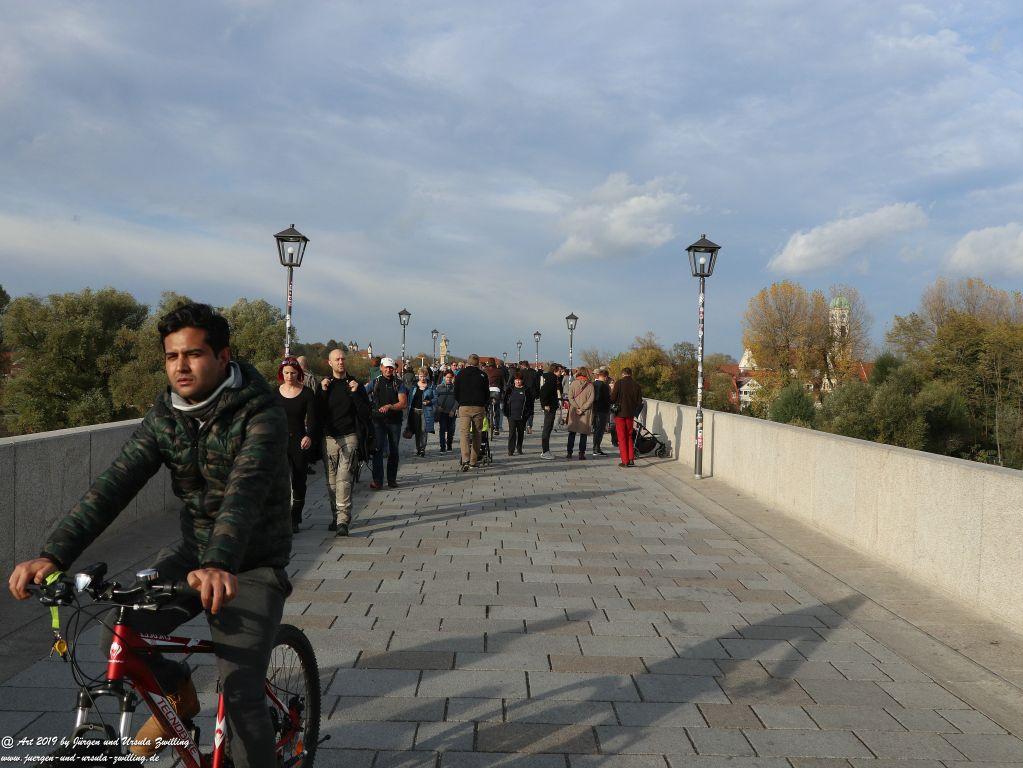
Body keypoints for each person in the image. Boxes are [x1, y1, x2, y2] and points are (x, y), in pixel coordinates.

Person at [7, 303, 291, 768]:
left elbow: (245, 494)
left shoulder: (261, 414)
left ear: (223, 356)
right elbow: (114, 485)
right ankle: (178, 694)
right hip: (193, 552)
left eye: (193, 354)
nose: (180, 366)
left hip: (251, 562)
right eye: (171, 356)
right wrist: (53, 555)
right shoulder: (166, 415)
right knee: (115, 638)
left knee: (241, 697)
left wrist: (219, 562)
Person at [319, 348, 370, 535]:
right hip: (328, 438)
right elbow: (318, 413)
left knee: (344, 479)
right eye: (337, 359)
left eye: (343, 359)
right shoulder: (325, 385)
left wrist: (356, 393)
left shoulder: (354, 384)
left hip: (349, 436)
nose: (341, 362)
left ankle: (343, 520)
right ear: (329, 363)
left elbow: (365, 413)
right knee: (331, 482)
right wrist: (322, 392)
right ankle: (336, 516)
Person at [276, 357, 318, 533]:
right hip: (279, 441)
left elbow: (314, 419)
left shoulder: (307, 393)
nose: (289, 376)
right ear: (281, 374)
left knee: (299, 481)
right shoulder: (274, 393)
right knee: (280, 482)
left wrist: (309, 436)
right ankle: (281, 518)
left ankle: (295, 517)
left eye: (293, 373)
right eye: (286, 373)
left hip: (299, 441)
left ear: (299, 373)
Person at [367, 357, 408, 489]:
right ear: (381, 367)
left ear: (394, 369)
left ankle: (391, 480)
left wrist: (389, 406)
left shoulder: (399, 383)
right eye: (386, 367)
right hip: (378, 420)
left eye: (391, 367)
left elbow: (403, 403)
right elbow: (362, 394)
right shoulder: (375, 382)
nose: (388, 369)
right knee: (377, 450)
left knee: (393, 450)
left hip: (394, 421)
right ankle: (378, 481)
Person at [454, 353, 489, 471]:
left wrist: (461, 402)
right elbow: (487, 393)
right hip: (478, 407)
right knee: (477, 434)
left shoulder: (460, 374)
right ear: (478, 363)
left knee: (464, 434)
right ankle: (474, 461)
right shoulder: (483, 375)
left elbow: (456, 392)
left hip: (464, 407)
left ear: (468, 362)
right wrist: (483, 404)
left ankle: (465, 460)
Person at [610, 366, 644, 467]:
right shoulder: (636, 385)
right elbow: (639, 402)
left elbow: (612, 398)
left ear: (623, 374)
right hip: (630, 414)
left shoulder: (619, 383)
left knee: (621, 437)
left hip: (620, 414)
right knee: (629, 436)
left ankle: (624, 461)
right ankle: (631, 459)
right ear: (631, 374)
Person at [566, 366, 595, 459]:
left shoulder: (573, 384)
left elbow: (570, 397)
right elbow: (591, 400)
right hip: (585, 413)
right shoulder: (590, 385)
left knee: (572, 433)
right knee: (583, 434)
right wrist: (582, 409)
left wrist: (577, 407)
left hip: (574, 411)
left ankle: (569, 453)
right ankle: (581, 453)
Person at [408, 367, 435, 457]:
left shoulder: (431, 385)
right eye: (420, 376)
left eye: (424, 376)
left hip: (425, 411)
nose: (422, 378)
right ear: (418, 376)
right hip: (415, 411)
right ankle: (418, 449)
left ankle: (423, 449)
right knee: (417, 431)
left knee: (424, 430)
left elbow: (436, 398)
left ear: (426, 376)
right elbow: (409, 399)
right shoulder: (414, 386)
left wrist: (429, 401)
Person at [538, 362, 562, 460]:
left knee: (548, 428)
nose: (561, 372)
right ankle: (545, 451)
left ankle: (546, 450)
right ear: (555, 371)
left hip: (551, 406)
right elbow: (544, 391)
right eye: (560, 371)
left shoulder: (552, 378)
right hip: (549, 407)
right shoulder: (552, 379)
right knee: (547, 428)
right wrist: (545, 405)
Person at [503, 369, 530, 455]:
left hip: (522, 415)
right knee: (512, 433)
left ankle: (519, 448)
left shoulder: (526, 390)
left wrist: (528, 413)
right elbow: (505, 401)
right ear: (514, 380)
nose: (518, 381)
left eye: (519, 380)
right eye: (516, 380)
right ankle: (510, 450)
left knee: (520, 432)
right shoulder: (510, 389)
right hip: (511, 415)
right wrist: (505, 411)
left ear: (522, 380)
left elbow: (530, 403)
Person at [434, 369, 458, 453]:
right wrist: (438, 407)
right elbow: (435, 398)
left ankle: (449, 445)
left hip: (451, 412)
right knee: (442, 429)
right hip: (442, 412)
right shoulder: (439, 387)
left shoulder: (455, 388)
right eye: (447, 377)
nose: (448, 379)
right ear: (444, 377)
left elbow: (457, 400)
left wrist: (453, 410)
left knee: (451, 429)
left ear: (452, 378)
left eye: (450, 377)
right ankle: (442, 447)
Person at [591, 367, 612, 456]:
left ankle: (595, 448)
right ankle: (596, 449)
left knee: (596, 429)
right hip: (602, 410)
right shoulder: (604, 386)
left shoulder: (593, 384)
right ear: (605, 377)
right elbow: (606, 398)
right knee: (600, 430)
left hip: (594, 409)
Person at [484, 359, 504, 435]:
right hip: (496, 391)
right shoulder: (499, 371)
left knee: (486, 408)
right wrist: (502, 393)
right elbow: (502, 383)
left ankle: (488, 422)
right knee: (497, 409)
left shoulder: (485, 370)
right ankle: (496, 428)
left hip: (487, 391)